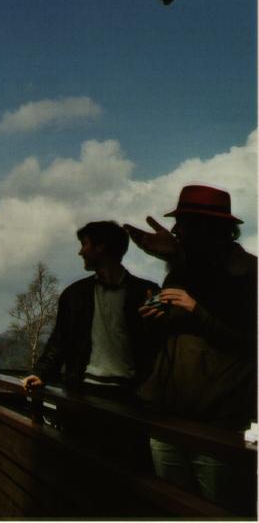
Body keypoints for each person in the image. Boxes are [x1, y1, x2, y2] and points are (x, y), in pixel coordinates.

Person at [124, 185, 257, 514]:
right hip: (167, 415)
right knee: (170, 509)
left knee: (218, 513)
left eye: (183, 224)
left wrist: (196, 309)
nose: (176, 231)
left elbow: (248, 342)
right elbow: (168, 341)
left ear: (210, 229)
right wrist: (153, 318)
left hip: (218, 422)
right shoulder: (181, 272)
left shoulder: (249, 273)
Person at [22, 221, 159, 400]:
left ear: (101, 247)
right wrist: (41, 374)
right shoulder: (74, 294)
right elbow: (60, 340)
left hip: (132, 395)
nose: (80, 252)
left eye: (84, 244)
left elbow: (157, 345)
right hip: (84, 390)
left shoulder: (145, 292)